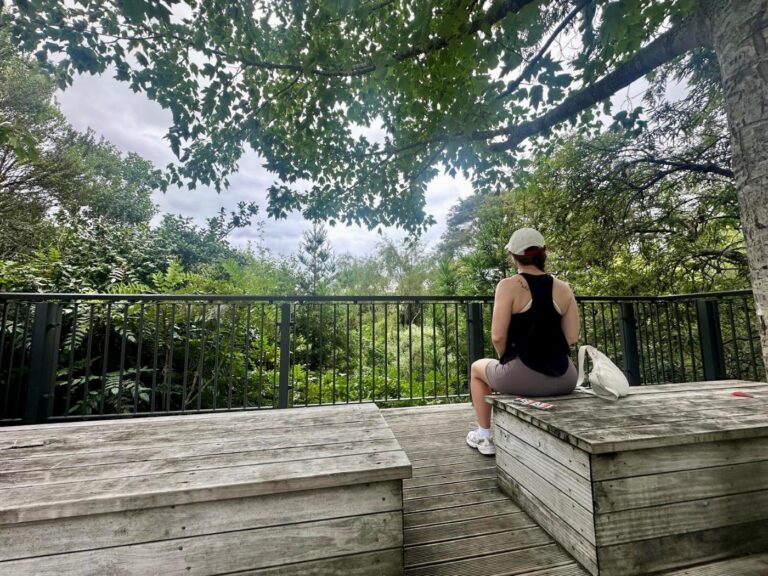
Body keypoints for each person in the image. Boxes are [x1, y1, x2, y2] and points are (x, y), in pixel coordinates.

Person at [466, 228, 580, 456]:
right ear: (544, 253)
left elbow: (497, 336)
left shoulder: (508, 285)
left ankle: (485, 436)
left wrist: (505, 361)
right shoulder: (564, 288)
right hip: (566, 377)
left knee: (477, 368)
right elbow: (571, 337)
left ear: (513, 255)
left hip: (523, 377)